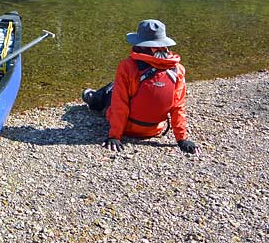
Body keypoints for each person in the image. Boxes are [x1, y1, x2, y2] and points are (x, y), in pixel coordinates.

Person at [82, 19, 200, 154]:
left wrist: (114, 136)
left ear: (140, 44)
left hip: (127, 128)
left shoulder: (127, 66)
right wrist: (182, 140)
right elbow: (178, 107)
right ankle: (95, 97)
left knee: (112, 89)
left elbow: (119, 105)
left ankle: (94, 98)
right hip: (155, 130)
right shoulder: (178, 70)